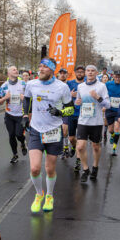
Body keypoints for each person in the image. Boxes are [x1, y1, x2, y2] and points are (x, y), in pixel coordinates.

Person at [22, 57, 74, 212]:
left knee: (50, 169)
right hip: (36, 130)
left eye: (44, 67)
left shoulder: (62, 87)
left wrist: (60, 113)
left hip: (53, 131)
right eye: (39, 66)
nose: (41, 69)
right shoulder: (31, 84)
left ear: (52, 70)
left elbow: (70, 109)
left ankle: (49, 196)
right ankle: (39, 194)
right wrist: (25, 116)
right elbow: (26, 101)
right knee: (35, 168)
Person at [75, 65, 110, 183]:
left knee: (95, 146)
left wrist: (98, 97)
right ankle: (85, 169)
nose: (90, 73)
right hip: (83, 121)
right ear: (85, 73)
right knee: (80, 147)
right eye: (88, 71)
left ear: (96, 73)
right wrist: (77, 102)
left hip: (96, 122)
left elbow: (108, 105)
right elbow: (78, 102)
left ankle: (95, 167)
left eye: (92, 71)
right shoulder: (80, 86)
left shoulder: (102, 86)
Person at [0, 66, 27, 163]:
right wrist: (5, 97)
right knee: (11, 135)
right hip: (9, 115)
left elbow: (31, 99)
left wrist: (25, 98)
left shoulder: (23, 84)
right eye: (14, 69)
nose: (17, 70)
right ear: (9, 73)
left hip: (21, 115)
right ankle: (15, 154)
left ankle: (22, 142)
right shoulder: (4, 86)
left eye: (16, 69)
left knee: (19, 134)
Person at [66, 65, 85, 171]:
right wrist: (70, 94)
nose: (80, 73)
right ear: (75, 73)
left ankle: (78, 161)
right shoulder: (70, 83)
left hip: (83, 115)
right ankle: (73, 147)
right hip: (72, 114)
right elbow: (63, 96)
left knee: (80, 140)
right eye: (78, 72)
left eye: (82, 72)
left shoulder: (87, 83)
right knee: (72, 138)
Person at [58, 68, 70, 159]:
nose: (62, 75)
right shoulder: (54, 85)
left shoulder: (70, 85)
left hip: (66, 110)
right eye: (61, 73)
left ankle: (65, 147)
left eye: (64, 73)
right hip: (56, 110)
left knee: (64, 130)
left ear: (67, 75)